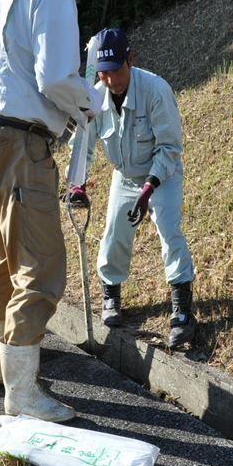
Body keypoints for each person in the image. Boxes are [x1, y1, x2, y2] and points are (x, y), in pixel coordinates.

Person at [0, 0, 100, 422]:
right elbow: (57, 76)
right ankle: (21, 393)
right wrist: (91, 103)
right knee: (39, 266)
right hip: (19, 142)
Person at [68, 28, 197, 348]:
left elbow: (169, 148)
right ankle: (111, 295)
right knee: (114, 233)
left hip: (161, 175)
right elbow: (81, 143)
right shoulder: (94, 97)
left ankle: (182, 309)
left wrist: (149, 188)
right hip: (125, 176)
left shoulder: (155, 90)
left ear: (131, 59)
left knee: (169, 229)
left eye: (117, 71)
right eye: (104, 73)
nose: (111, 80)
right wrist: (77, 184)